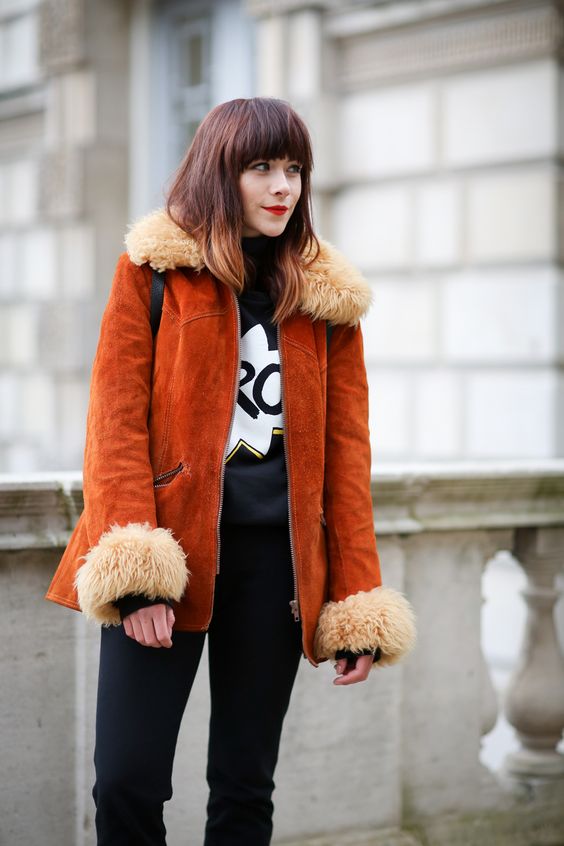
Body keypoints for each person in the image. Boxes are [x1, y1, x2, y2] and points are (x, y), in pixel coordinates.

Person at [45, 97, 416, 846]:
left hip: (274, 568)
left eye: (295, 170)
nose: (283, 187)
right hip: (169, 556)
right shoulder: (153, 275)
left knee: (245, 789)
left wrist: (353, 599)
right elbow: (113, 428)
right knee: (125, 781)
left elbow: (347, 461)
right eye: (261, 168)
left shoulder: (325, 303)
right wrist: (140, 576)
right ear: (222, 173)